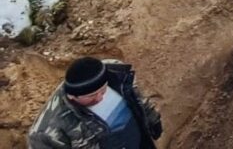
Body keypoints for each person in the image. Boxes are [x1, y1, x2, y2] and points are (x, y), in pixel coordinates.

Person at [29, 57, 163, 149]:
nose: (100, 98)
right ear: (72, 96)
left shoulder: (115, 73)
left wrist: (153, 119)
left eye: (103, 90)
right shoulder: (44, 132)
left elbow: (137, 98)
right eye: (91, 96)